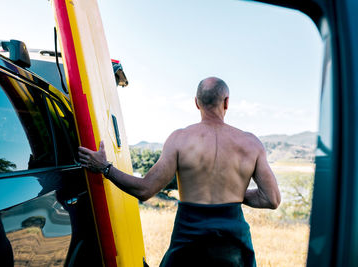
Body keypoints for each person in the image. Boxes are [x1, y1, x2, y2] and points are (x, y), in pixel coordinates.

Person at [78, 77, 281, 267]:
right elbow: (271, 199)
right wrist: (233, 193)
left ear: (196, 102)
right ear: (227, 102)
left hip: (189, 242)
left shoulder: (179, 139)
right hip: (234, 244)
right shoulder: (251, 143)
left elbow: (145, 190)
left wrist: (105, 168)